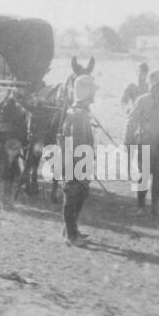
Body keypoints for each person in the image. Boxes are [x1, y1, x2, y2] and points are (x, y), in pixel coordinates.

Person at [124, 70, 159, 216]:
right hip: (145, 144)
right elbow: (131, 121)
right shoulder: (142, 100)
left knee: (158, 176)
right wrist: (127, 142)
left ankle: (155, 207)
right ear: (156, 84)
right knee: (144, 175)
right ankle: (141, 206)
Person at [59, 74, 97, 246]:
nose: (94, 95)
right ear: (87, 93)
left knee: (81, 194)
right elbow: (78, 143)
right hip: (75, 160)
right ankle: (71, 236)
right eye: (92, 92)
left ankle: (69, 229)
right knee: (74, 195)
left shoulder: (77, 111)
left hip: (75, 159)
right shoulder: (79, 114)